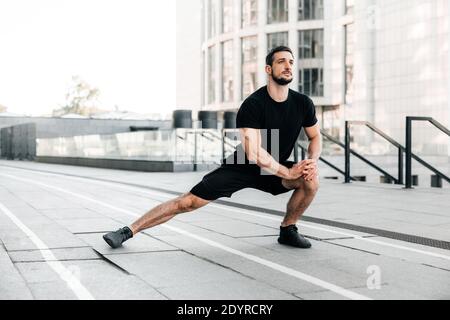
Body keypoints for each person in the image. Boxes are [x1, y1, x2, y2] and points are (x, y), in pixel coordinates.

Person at [103, 46, 321, 249]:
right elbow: (254, 152)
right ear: (268, 69)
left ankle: (288, 229)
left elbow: (315, 137)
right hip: (242, 166)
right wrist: (288, 171)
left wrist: (311, 162)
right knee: (187, 202)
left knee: (310, 181)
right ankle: (127, 231)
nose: (288, 66)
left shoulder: (302, 103)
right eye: (282, 61)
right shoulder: (254, 104)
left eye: (291, 62)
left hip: (274, 168)